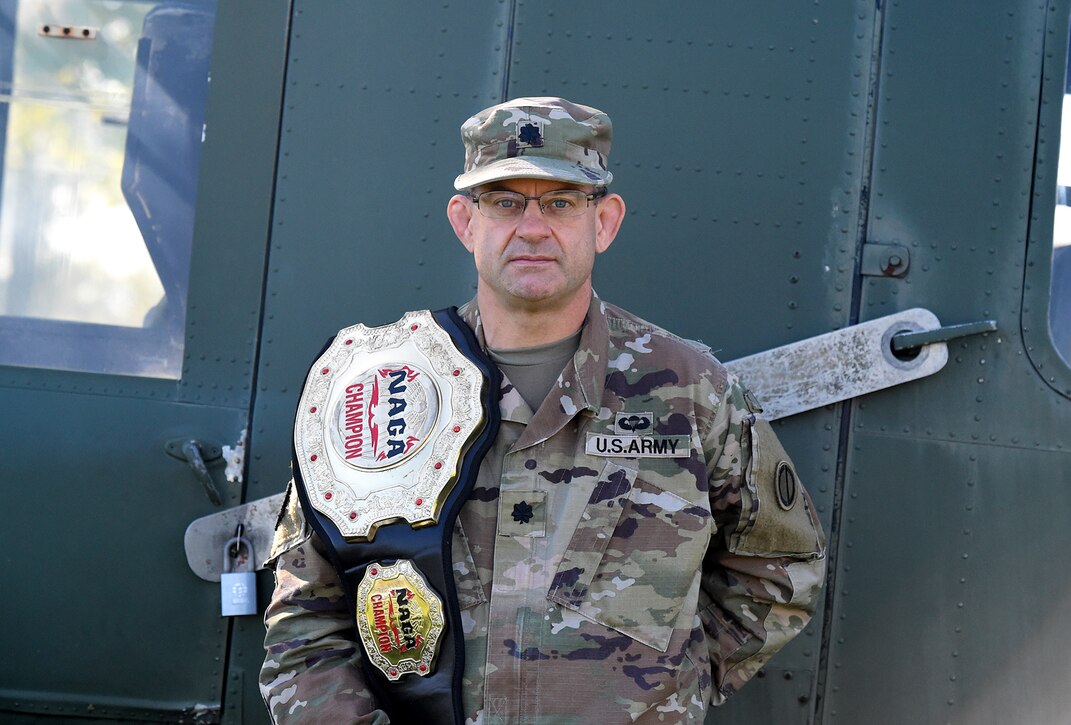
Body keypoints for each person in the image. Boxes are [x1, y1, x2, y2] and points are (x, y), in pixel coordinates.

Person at [260, 96, 826, 724]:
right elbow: (305, 613)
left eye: (560, 202)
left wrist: (667, 696)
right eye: (505, 202)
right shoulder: (382, 387)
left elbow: (782, 564)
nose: (533, 227)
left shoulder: (689, 390)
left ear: (604, 222)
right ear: (465, 221)